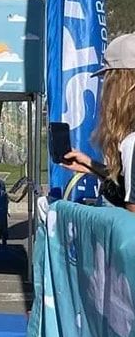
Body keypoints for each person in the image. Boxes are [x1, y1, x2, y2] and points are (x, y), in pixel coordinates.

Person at [61, 32, 135, 211]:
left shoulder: (132, 142)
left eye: (107, 80)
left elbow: (131, 220)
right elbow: (126, 183)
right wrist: (91, 165)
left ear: (120, 84)